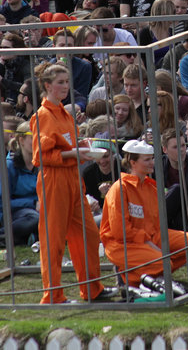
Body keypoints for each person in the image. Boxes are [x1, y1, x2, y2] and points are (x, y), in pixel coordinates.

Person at [31, 63, 115, 304]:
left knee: (88, 234)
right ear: (47, 85)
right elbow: (40, 156)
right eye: (60, 82)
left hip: (72, 180)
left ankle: (92, 289)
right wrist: (74, 153)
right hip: (54, 181)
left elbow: (69, 145)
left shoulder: (64, 113)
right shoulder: (42, 115)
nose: (65, 86)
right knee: (54, 239)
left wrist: (83, 147)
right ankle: (53, 295)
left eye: (67, 82)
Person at [100, 138, 188, 287]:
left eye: (152, 158)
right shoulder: (120, 188)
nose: (152, 162)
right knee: (164, 262)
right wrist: (147, 242)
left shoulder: (150, 187)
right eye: (147, 160)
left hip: (151, 237)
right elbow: (120, 231)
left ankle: (153, 272)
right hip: (123, 244)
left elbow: (155, 222)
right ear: (133, 163)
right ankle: (128, 276)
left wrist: (152, 242)